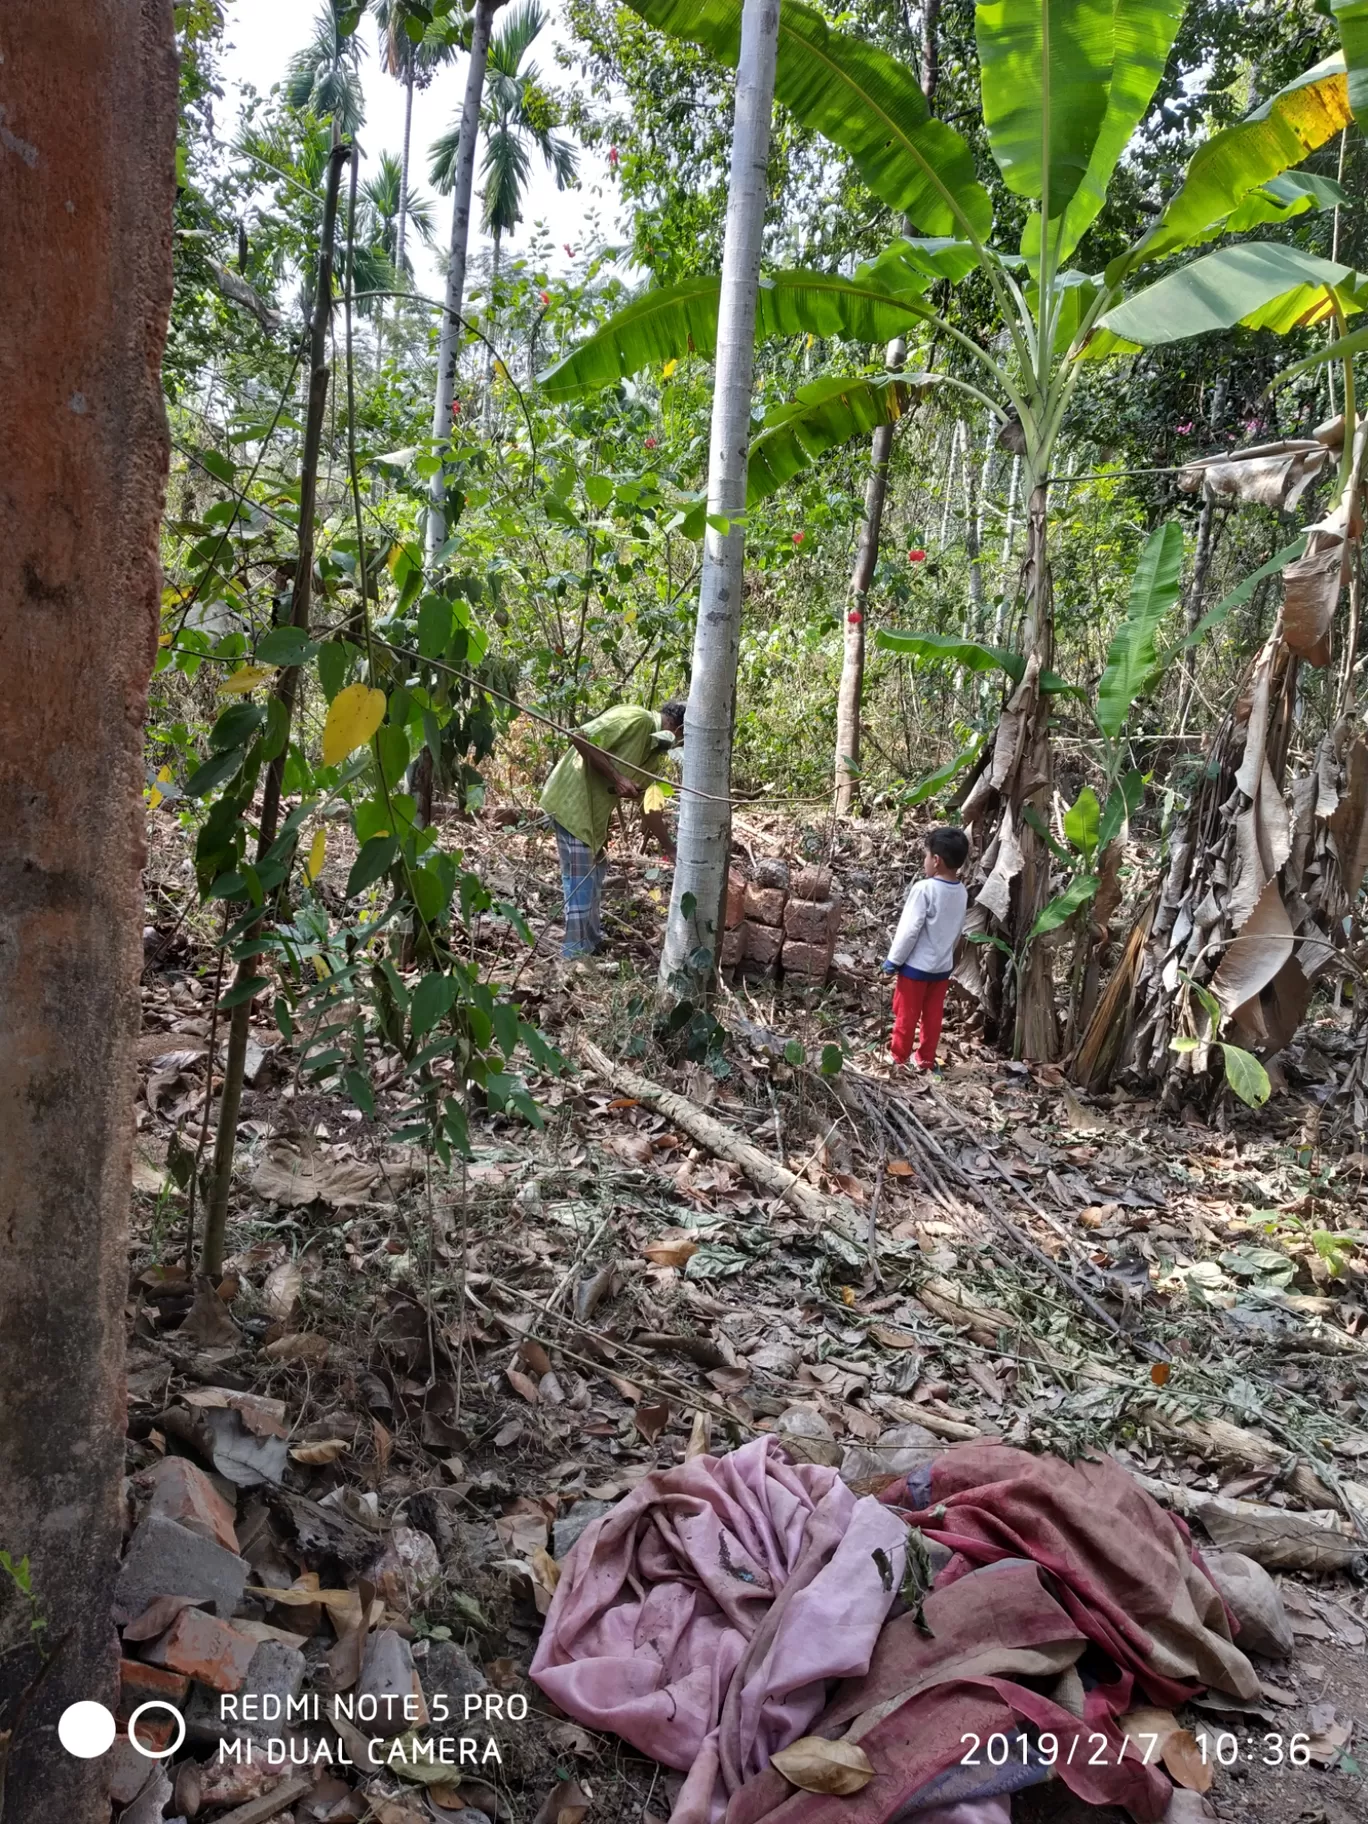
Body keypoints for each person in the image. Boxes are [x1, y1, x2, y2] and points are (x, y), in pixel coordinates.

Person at [540, 699, 686, 958]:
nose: (680, 745)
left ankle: (592, 941)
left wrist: (669, 847)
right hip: (571, 803)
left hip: (592, 816)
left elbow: (648, 806)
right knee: (580, 879)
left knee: (596, 871)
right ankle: (574, 954)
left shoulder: (652, 757)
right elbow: (580, 737)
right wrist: (617, 777)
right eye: (683, 738)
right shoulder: (635, 719)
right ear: (677, 728)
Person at [882, 826, 970, 1073]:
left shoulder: (925, 889)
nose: (925, 861)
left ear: (936, 860)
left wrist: (893, 960)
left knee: (906, 1014)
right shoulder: (961, 892)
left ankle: (898, 1056)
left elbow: (909, 930)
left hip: (915, 968)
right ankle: (925, 1059)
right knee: (932, 1016)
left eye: (926, 855)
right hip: (942, 967)